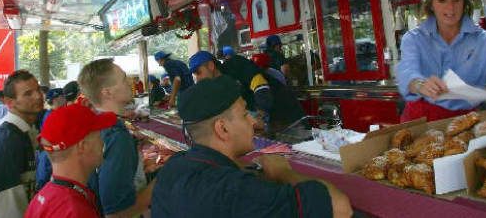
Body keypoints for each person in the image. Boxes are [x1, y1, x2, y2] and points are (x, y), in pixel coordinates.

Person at [151, 75, 352, 218]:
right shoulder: (236, 191)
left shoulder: (173, 167)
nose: (253, 122)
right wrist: (283, 173)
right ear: (222, 128)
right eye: (245, 114)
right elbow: (340, 208)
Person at [78, 58, 155, 217]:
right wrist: (159, 183)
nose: (129, 81)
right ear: (107, 92)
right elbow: (116, 212)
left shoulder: (94, 126)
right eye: (123, 79)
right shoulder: (116, 135)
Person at [0, 70, 44, 218]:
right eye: (28, 93)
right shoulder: (7, 141)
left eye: (38, 90)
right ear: (9, 102)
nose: (38, 96)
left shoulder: (22, 133)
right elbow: (6, 209)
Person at [24, 104, 117, 218]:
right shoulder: (75, 211)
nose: (102, 142)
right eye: (98, 136)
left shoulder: (41, 199)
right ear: (82, 146)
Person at [189, 51, 305, 133]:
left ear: (210, 65)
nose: (198, 79)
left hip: (288, 115)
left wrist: (259, 117)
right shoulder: (219, 85)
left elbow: (261, 88)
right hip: (270, 124)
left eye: (199, 73)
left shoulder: (236, 64)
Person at [35, 88, 67, 191]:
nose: (64, 98)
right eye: (62, 96)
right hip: (50, 155)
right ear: (55, 99)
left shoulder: (52, 114)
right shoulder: (52, 116)